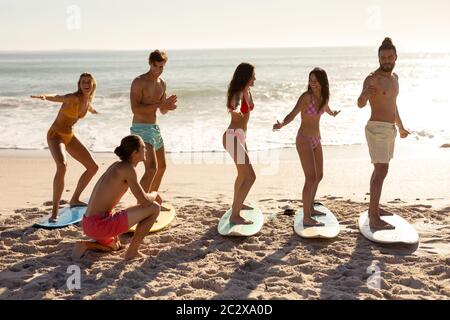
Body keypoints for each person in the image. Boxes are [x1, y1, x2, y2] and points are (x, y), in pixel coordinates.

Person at [72, 135, 161, 260]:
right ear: (135, 152)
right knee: (154, 208)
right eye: (143, 148)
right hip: (100, 225)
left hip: (88, 223)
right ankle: (132, 252)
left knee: (115, 247)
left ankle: (87, 245)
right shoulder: (128, 169)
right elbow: (145, 202)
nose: (145, 150)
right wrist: (155, 193)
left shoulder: (117, 165)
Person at [273, 68, 340, 226]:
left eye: (315, 81)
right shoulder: (306, 97)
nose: (313, 83)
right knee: (310, 178)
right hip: (304, 139)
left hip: (317, 139)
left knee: (319, 176)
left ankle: (310, 207)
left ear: (322, 82)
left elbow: (327, 109)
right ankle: (306, 217)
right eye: (310, 80)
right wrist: (282, 124)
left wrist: (333, 113)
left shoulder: (323, 97)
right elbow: (293, 113)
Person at [357, 37, 410, 230]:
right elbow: (360, 103)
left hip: (389, 129)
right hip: (376, 128)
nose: (386, 60)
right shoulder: (372, 78)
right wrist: (363, 96)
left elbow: (393, 105)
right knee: (381, 171)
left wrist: (401, 127)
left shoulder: (395, 79)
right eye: (383, 57)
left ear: (395, 57)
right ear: (378, 58)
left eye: (389, 57)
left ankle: (375, 209)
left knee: (379, 170)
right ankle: (373, 217)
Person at [31, 73, 99, 222]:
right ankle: (55, 212)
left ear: (93, 85)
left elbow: (88, 107)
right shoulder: (73, 97)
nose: (86, 84)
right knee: (62, 166)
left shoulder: (88, 100)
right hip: (55, 135)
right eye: (83, 82)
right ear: (79, 85)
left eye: (89, 82)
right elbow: (58, 97)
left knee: (93, 167)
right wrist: (45, 96)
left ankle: (74, 199)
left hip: (69, 135)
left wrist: (93, 111)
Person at [130, 50, 177, 206]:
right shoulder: (139, 81)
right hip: (140, 129)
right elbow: (135, 109)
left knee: (161, 167)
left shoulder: (162, 83)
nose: (158, 70)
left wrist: (168, 107)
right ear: (150, 63)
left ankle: (150, 199)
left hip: (154, 128)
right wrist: (160, 105)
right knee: (151, 168)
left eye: (161, 67)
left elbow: (162, 110)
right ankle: (140, 206)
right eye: (155, 66)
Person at [222, 62, 257, 225]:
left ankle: (238, 203)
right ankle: (235, 216)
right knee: (250, 176)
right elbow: (234, 105)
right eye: (252, 76)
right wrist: (235, 110)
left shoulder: (247, 91)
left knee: (242, 174)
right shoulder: (237, 93)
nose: (255, 78)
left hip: (240, 137)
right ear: (246, 76)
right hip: (232, 137)